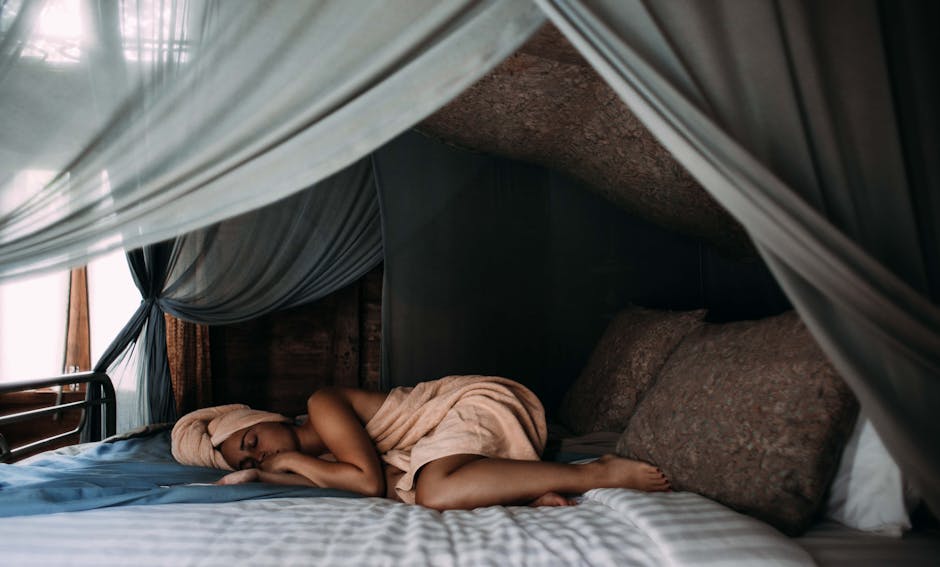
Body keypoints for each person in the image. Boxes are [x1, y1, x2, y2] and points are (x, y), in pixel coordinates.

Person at [171, 375, 669, 510]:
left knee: (431, 490)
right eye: (251, 457)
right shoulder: (321, 459)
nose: (262, 452)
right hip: (446, 442)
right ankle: (523, 487)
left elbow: (366, 485)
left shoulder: (322, 404)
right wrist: (263, 475)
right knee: (411, 489)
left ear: (268, 418)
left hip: (470, 404)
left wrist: (295, 461)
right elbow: (384, 484)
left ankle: (594, 472)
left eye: (254, 441)